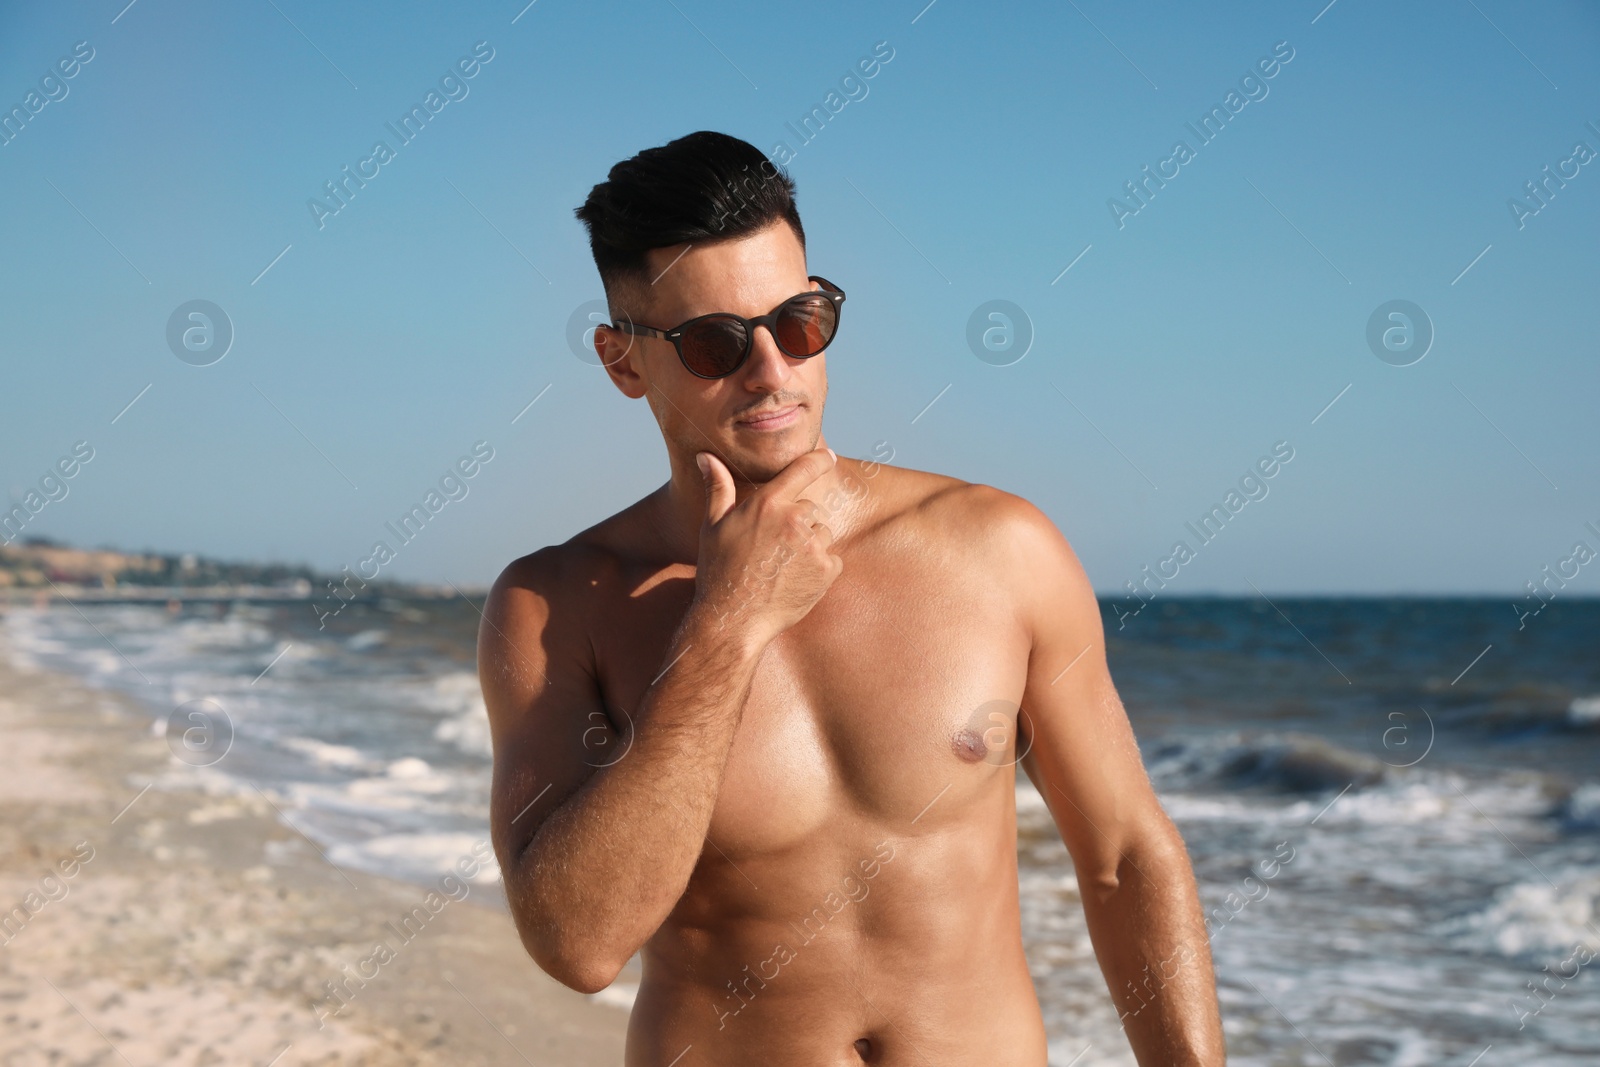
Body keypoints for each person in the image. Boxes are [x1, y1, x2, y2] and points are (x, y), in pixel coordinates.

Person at [477, 130, 1224, 1066]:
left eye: (798, 320)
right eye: (715, 343)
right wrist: (727, 622)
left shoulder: (999, 548)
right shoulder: (554, 606)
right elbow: (577, 942)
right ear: (624, 362)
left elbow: (1124, 858)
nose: (772, 371)